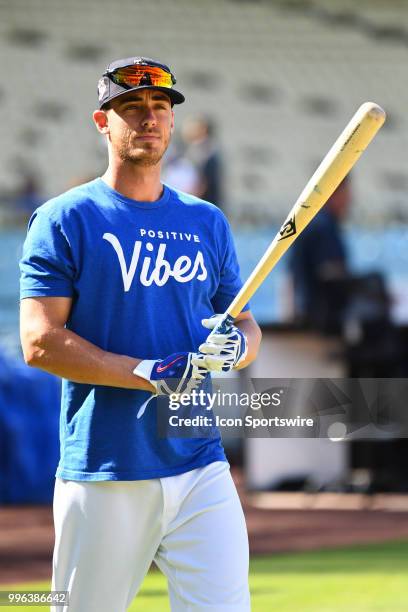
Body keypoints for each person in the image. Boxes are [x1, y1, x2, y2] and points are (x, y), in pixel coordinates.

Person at [19, 56, 261, 612]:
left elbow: (244, 322)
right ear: (103, 122)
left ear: (174, 123)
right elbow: (39, 341)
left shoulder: (207, 221)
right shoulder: (65, 219)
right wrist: (148, 374)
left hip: (200, 460)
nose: (149, 118)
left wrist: (239, 347)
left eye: (160, 107)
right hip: (106, 467)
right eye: (132, 107)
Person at [289, 175, 351, 332]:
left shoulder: (308, 219)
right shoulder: (322, 226)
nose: (349, 200)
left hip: (305, 312)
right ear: (333, 192)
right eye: (346, 193)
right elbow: (331, 275)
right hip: (319, 319)